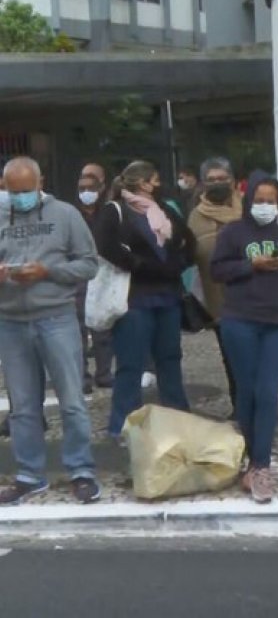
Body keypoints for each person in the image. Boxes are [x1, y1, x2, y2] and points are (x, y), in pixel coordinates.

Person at [0, 157, 101, 505]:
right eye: (14, 192)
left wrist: (49, 271)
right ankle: (29, 475)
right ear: (4, 188)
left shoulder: (66, 215)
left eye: (27, 190)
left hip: (57, 317)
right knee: (22, 405)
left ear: (41, 183)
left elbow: (89, 264)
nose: (21, 197)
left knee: (72, 400)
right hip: (10, 321)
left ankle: (82, 471)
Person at [210, 172, 278, 504]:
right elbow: (217, 270)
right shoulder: (233, 233)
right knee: (248, 392)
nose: (265, 205)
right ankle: (253, 460)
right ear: (249, 199)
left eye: (271, 200)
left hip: (275, 323)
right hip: (239, 320)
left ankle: (261, 465)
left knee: (268, 393)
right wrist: (250, 265)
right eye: (260, 199)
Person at [95, 160, 196, 440]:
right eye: (155, 180)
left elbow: (187, 240)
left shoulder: (163, 210)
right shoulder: (115, 210)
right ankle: (124, 426)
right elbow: (106, 247)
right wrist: (143, 265)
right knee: (131, 363)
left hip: (167, 296)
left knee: (170, 359)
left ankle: (178, 419)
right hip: (135, 297)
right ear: (143, 183)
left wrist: (178, 263)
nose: (159, 184)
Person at [187, 157, 242, 415]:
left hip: (253, 297)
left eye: (222, 178)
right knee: (231, 356)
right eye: (211, 180)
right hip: (217, 301)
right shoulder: (196, 217)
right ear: (203, 183)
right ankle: (239, 406)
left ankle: (261, 406)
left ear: (232, 180)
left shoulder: (248, 208)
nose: (217, 183)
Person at [76, 169, 112, 389]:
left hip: (103, 275)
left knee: (102, 327)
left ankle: (104, 373)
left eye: (90, 188)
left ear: (101, 189)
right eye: (82, 189)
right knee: (78, 329)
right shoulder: (72, 214)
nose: (86, 192)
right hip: (79, 276)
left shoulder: (108, 213)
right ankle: (82, 376)